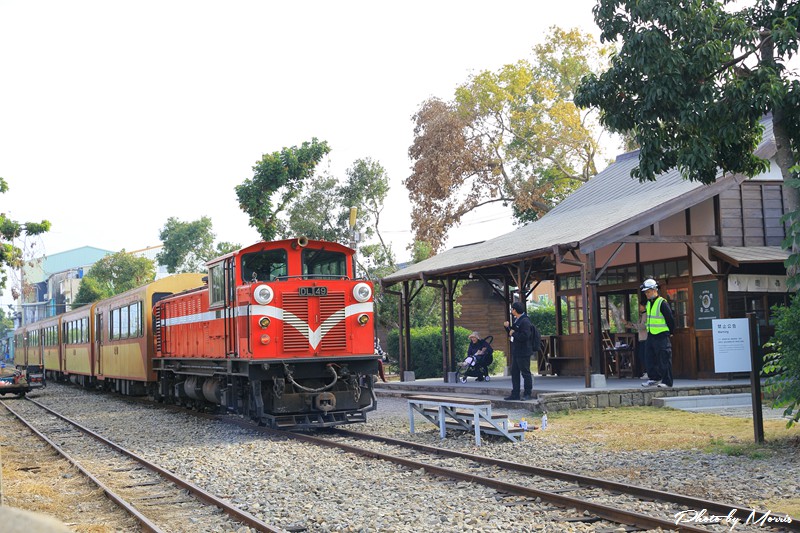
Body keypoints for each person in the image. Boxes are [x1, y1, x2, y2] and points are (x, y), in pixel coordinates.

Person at [639, 278, 675, 388]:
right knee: (649, 357)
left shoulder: (662, 303)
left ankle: (667, 381)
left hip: (662, 334)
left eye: (648, 291)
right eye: (645, 292)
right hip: (651, 334)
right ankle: (654, 378)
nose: (646, 294)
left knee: (664, 358)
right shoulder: (649, 304)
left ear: (655, 290)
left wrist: (671, 332)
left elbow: (670, 318)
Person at [503, 301, 535, 401]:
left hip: (524, 351)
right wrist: (507, 328)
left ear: (515, 310)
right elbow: (512, 332)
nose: (511, 311)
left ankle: (527, 394)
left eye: (512, 309)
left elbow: (525, 336)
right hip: (517, 351)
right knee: (515, 372)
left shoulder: (525, 321)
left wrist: (513, 334)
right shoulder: (517, 320)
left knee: (525, 373)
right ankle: (515, 393)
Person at [627, 303, 649, 379]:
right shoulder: (642, 315)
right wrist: (630, 325)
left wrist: (632, 325)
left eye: (640, 306)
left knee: (645, 356)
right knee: (641, 355)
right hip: (642, 337)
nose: (639, 307)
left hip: (646, 337)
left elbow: (643, 326)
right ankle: (646, 372)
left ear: (645, 306)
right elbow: (638, 326)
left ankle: (648, 372)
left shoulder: (646, 314)